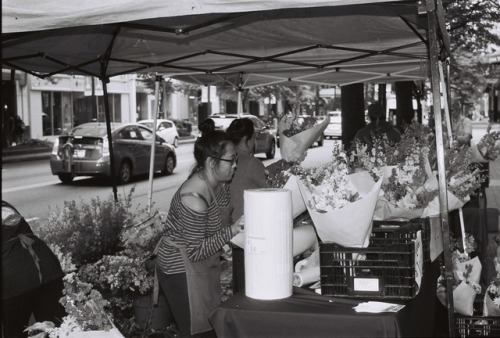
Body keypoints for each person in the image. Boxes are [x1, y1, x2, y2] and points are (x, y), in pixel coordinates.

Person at [155, 118, 243, 338]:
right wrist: (232, 231)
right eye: (231, 160)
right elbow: (195, 252)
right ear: (212, 163)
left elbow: (217, 223)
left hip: (203, 265)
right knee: (197, 331)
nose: (235, 165)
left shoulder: (219, 183)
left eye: (236, 159)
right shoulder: (193, 197)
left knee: (212, 325)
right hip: (181, 270)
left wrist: (229, 239)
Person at [2, 200, 66, 338]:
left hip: (13, 280)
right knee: (57, 327)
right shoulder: (5, 206)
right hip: (46, 268)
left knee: (16, 330)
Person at [226, 118, 268, 293]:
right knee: (251, 284)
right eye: (254, 137)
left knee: (239, 281)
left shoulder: (226, 162)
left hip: (230, 230)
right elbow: (272, 191)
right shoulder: (252, 163)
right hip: (250, 233)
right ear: (246, 139)